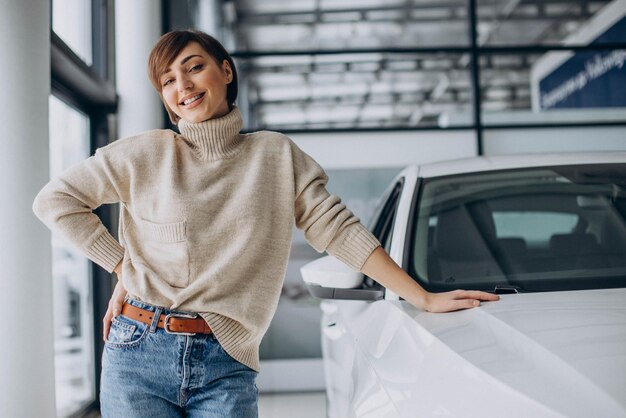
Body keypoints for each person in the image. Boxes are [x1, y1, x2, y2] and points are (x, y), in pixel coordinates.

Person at [32, 29, 499, 417]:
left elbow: (337, 229)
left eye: (194, 67)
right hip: (137, 350)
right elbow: (55, 201)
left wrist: (421, 296)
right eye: (168, 80)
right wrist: (121, 267)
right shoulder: (145, 153)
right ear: (166, 100)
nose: (183, 85)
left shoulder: (275, 156)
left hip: (226, 358)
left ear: (225, 70)